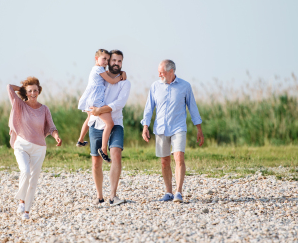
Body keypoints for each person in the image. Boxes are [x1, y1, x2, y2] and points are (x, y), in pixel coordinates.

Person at [141, 60, 204, 203]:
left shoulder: (185, 86)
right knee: (164, 161)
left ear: (171, 71)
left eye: (162, 72)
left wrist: (199, 129)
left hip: (178, 127)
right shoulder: (155, 86)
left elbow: (192, 108)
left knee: (179, 158)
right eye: (159, 72)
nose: (159, 74)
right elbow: (149, 108)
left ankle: (178, 192)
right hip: (161, 128)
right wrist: (145, 126)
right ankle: (168, 192)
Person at [7, 77, 62, 220]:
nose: (33, 93)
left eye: (35, 90)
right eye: (30, 91)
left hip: (39, 148)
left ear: (39, 91)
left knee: (33, 180)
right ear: (26, 92)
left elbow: (51, 127)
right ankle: (21, 201)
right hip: (21, 145)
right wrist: (23, 89)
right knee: (24, 171)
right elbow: (9, 87)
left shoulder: (44, 109)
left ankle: (27, 211)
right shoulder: (20, 105)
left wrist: (56, 136)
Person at [86, 50, 131, 206]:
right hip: (96, 123)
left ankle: (113, 196)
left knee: (116, 154)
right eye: (114, 60)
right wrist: (95, 112)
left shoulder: (125, 82)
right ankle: (99, 197)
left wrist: (100, 110)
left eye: (119, 61)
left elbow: (119, 104)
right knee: (96, 161)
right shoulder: (100, 77)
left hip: (115, 122)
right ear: (108, 62)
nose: (116, 64)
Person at [77, 49, 127, 163]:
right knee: (109, 123)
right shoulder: (99, 69)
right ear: (96, 58)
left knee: (89, 118)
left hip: (91, 98)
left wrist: (121, 72)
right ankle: (103, 149)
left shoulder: (98, 70)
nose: (106, 62)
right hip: (96, 100)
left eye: (107, 60)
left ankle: (80, 140)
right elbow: (112, 81)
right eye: (104, 59)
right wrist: (121, 76)